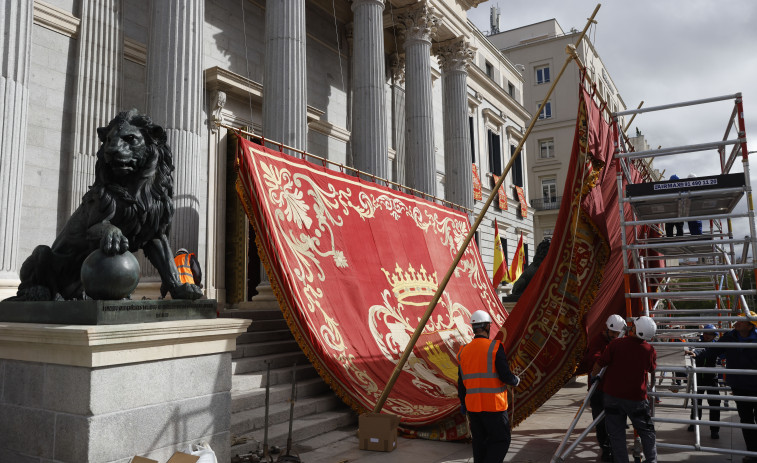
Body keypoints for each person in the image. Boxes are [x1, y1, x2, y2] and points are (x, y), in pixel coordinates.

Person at [458, 310, 521, 463]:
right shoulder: (495, 348)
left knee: (480, 442)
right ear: (487, 327)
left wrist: (463, 403)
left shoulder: (463, 351)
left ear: (473, 328)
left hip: (473, 407)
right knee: (501, 441)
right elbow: (505, 376)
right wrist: (516, 380)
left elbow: (461, 382)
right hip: (494, 406)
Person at [593, 315, 658, 463]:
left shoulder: (616, 344)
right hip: (637, 399)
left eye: (634, 325)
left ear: (636, 329)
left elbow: (600, 363)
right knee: (647, 431)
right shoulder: (649, 350)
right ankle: (652, 460)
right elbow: (651, 368)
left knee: (616, 434)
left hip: (612, 397)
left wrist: (593, 376)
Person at [693, 312, 757, 462]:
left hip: (756, 385)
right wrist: (696, 355)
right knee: (746, 420)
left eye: (742, 321)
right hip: (740, 386)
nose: (737, 322)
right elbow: (712, 351)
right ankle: (752, 453)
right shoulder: (730, 336)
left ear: (750, 325)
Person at [584, 314, 627, 462]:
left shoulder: (620, 341)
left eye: (617, 333)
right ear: (607, 330)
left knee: (615, 421)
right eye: (613, 333)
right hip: (599, 388)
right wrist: (606, 360)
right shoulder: (598, 341)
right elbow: (594, 358)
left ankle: (616, 449)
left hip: (614, 388)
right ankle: (606, 449)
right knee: (600, 422)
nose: (615, 336)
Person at [684, 324, 721, 438]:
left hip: (711, 377)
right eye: (706, 333)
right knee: (696, 402)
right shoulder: (697, 344)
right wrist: (690, 353)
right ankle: (694, 423)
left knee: (715, 404)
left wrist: (696, 354)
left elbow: (710, 354)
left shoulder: (717, 346)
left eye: (711, 334)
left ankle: (714, 430)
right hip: (698, 377)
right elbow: (694, 352)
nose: (708, 336)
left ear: (714, 336)